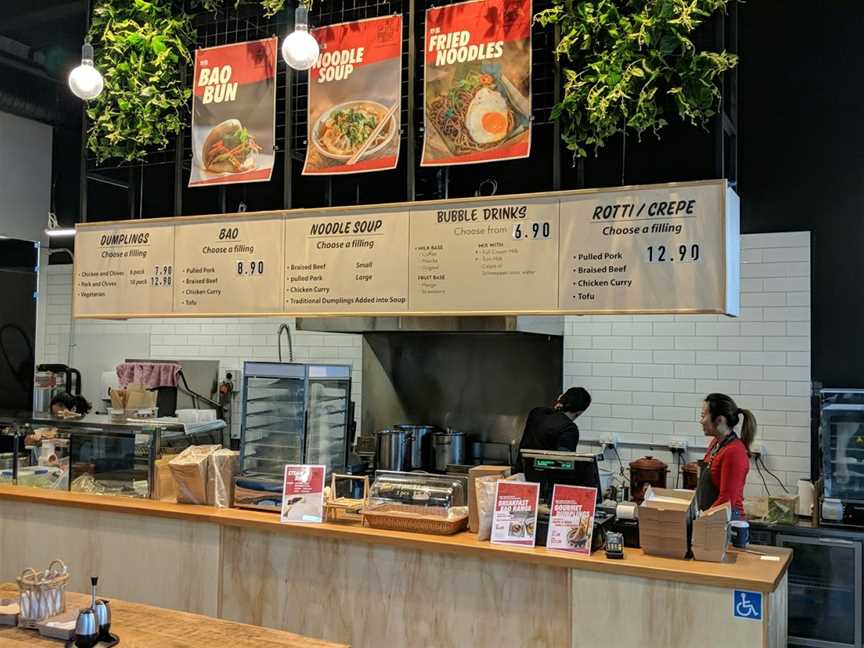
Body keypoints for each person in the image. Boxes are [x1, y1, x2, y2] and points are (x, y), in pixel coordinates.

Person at [697, 393, 757, 518]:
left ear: (719, 420)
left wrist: (700, 520)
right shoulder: (716, 443)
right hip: (711, 519)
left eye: (703, 416)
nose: (701, 421)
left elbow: (726, 501)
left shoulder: (734, 452)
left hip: (726, 524)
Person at [517, 387, 592, 466]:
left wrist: (560, 402)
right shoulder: (569, 429)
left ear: (561, 398)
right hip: (545, 477)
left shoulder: (536, 413)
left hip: (521, 474)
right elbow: (565, 463)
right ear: (580, 412)